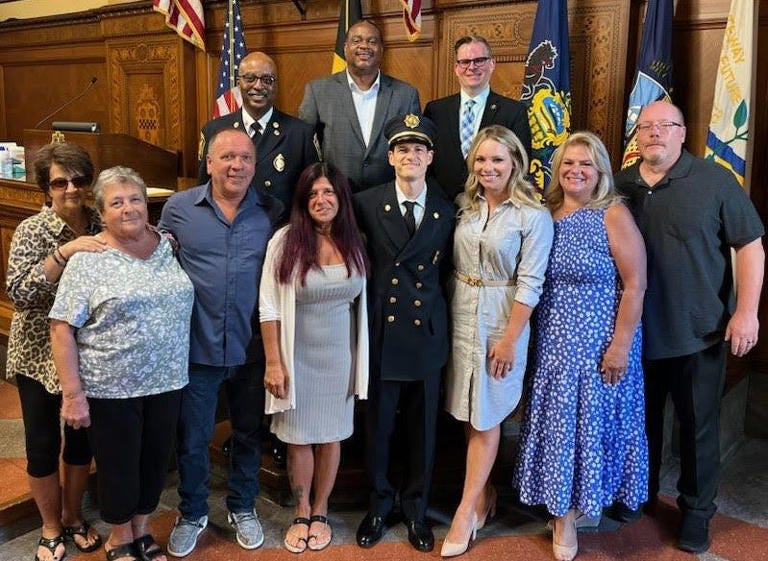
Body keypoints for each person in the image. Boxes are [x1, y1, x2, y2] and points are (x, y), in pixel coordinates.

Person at [614, 101, 764, 553]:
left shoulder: (715, 181)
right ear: (636, 137)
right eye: (646, 127)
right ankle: (640, 493)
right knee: (640, 424)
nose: (655, 133)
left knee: (698, 428)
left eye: (666, 125)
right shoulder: (618, 186)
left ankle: (697, 512)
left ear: (683, 132)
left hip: (699, 332)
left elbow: (751, 247)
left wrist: (747, 311)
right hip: (636, 333)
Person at [513, 132, 648, 561]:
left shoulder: (612, 214)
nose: (576, 171)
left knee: (590, 426)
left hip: (597, 344)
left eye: (586, 164)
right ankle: (559, 508)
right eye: (569, 163)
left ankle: (573, 513)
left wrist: (620, 345)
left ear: (600, 171)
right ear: (557, 169)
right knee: (557, 426)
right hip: (553, 343)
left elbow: (635, 284)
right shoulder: (544, 214)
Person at [49, 166, 194, 561]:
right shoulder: (89, 258)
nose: (128, 208)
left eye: (135, 199)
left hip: (168, 380)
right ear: (100, 211)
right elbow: (61, 328)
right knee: (118, 467)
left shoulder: (167, 245)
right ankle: (119, 537)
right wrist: (73, 394)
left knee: (155, 463)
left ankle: (143, 530)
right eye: (116, 202)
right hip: (111, 386)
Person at [159, 127, 282, 557]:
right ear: (208, 163)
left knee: (248, 433)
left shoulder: (271, 210)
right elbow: (154, 263)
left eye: (245, 158)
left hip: (252, 350)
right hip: (198, 349)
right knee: (193, 438)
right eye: (227, 157)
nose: (236, 165)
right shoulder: (178, 209)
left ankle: (243, 506)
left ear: (255, 165)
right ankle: (192, 512)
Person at [442, 125, 553, 557]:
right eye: (482, 160)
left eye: (498, 160)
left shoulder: (533, 215)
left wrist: (510, 339)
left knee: (488, 416)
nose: (489, 168)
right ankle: (484, 493)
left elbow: (531, 282)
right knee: (469, 411)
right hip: (461, 311)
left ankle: (465, 511)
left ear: (515, 164)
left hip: (502, 317)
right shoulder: (463, 207)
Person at [352, 114, 454, 553]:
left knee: (423, 430)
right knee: (377, 427)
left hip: (427, 333)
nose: (410, 156)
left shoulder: (448, 208)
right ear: (391, 157)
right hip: (382, 332)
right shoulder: (366, 203)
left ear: (431, 157)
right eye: (402, 149)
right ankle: (377, 506)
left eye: (419, 149)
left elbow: (450, 270)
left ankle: (415, 508)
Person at [260, 162, 369, 553]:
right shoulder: (285, 241)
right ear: (303, 201)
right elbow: (269, 307)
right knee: (299, 437)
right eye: (313, 194)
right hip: (296, 357)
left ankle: (321, 509)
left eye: (329, 193)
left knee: (332, 435)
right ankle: (301, 510)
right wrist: (274, 362)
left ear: (340, 198)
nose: (322, 200)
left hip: (340, 357)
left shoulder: (353, 240)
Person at [5, 143, 105, 561]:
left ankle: (73, 515)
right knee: (43, 443)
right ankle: (49, 526)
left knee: (81, 444)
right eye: (60, 182)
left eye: (79, 180)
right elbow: (20, 292)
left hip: (87, 353)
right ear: (46, 188)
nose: (70, 189)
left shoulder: (102, 222)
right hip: (37, 352)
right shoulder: (32, 230)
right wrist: (64, 253)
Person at [299, 20, 421, 192]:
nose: (364, 46)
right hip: (337, 198)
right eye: (357, 41)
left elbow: (416, 151)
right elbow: (305, 147)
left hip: (389, 196)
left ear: (381, 50)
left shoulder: (406, 95)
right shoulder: (318, 91)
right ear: (345, 47)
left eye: (372, 41)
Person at [198, 51, 319, 210]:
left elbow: (312, 192)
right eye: (250, 78)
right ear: (239, 82)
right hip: (228, 227)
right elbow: (202, 190)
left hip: (280, 229)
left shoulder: (301, 134)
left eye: (267, 80)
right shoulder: (214, 130)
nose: (258, 86)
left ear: (275, 85)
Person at [425, 36, 532, 201]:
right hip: (441, 209)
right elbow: (427, 163)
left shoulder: (514, 111)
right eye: (465, 62)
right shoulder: (435, 110)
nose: (471, 67)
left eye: (479, 60)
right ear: (456, 68)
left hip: (492, 209)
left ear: (492, 64)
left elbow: (520, 166)